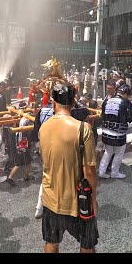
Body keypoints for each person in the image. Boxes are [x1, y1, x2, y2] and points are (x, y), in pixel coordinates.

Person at [38, 83, 98, 253]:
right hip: (79, 201)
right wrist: (93, 198)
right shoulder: (83, 129)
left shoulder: (44, 128)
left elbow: (46, 160)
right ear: (73, 103)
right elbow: (89, 171)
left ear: (53, 102)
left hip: (50, 198)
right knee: (87, 245)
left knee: (52, 242)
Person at [98, 84, 132, 179]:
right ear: (126, 93)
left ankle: (101, 171)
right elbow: (130, 118)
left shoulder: (107, 100)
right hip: (119, 133)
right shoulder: (126, 102)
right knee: (119, 153)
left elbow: (102, 115)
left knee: (108, 152)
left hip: (106, 131)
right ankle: (115, 172)